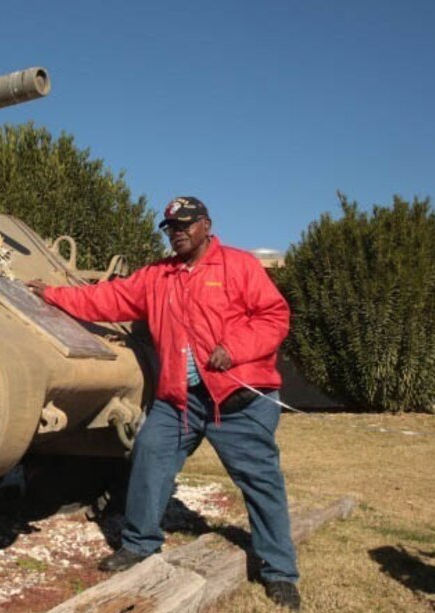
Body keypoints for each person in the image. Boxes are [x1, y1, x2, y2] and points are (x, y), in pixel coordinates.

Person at [26, 196, 301, 611]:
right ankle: (139, 545)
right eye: (171, 227)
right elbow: (107, 299)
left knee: (261, 483)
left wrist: (235, 347)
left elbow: (274, 317)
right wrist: (52, 294)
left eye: (186, 225)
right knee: (149, 458)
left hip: (238, 401)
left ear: (206, 225)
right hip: (181, 401)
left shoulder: (239, 266)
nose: (177, 232)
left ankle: (279, 571)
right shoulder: (157, 276)